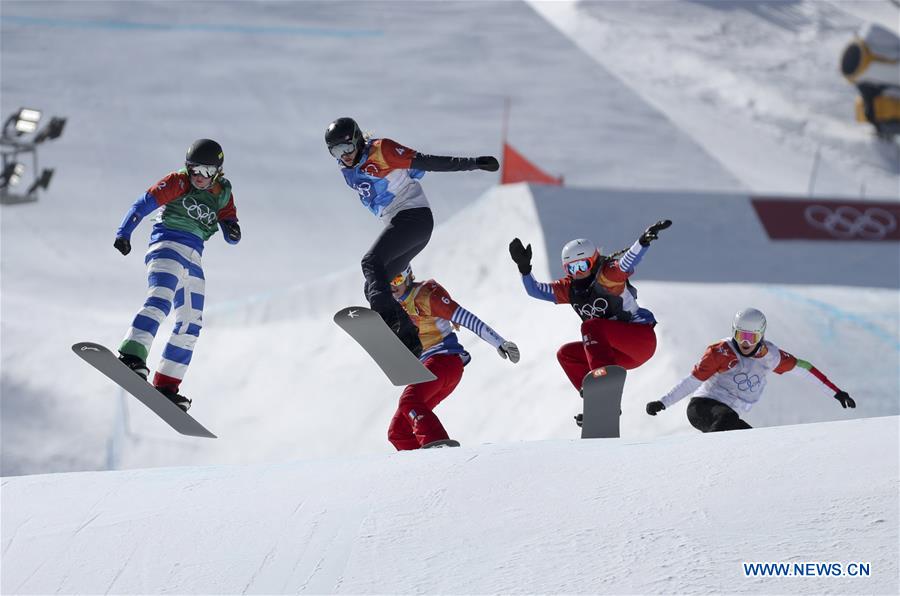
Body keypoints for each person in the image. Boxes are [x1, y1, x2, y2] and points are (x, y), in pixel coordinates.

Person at [325, 117, 499, 357]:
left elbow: (426, 162)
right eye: (335, 151)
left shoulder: (381, 150)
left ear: (357, 139)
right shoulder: (346, 169)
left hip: (413, 217)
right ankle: (410, 341)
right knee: (374, 285)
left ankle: (387, 318)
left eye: (346, 147)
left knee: (370, 263)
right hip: (407, 225)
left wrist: (474, 163)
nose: (343, 155)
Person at [113, 139, 241, 411]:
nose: (199, 177)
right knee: (160, 299)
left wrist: (231, 229)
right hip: (168, 245)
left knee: (191, 321)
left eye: (206, 172)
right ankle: (132, 354)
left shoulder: (222, 192)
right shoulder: (178, 182)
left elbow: (229, 219)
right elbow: (144, 203)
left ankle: (167, 383)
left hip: (194, 257)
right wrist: (124, 233)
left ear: (217, 171)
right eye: (195, 170)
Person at [508, 221, 671, 417]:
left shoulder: (607, 275)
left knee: (590, 326)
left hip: (640, 341)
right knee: (566, 354)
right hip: (617, 355)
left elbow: (626, 263)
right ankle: (596, 402)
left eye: (582, 265)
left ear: (593, 261)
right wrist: (524, 268)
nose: (578, 272)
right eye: (572, 268)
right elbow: (535, 290)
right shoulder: (569, 288)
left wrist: (642, 242)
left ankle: (604, 392)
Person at [645, 308, 855, 432]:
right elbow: (692, 381)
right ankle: (706, 461)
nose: (745, 343)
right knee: (726, 420)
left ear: (761, 336)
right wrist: (663, 402)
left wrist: (836, 392)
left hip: (728, 414)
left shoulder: (771, 356)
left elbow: (804, 368)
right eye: (740, 335)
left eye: (751, 337)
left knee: (752, 440)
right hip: (703, 407)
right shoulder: (721, 352)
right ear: (733, 332)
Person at [387, 265, 518, 450]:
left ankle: (439, 449)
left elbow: (465, 317)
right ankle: (422, 469)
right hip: (430, 368)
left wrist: (499, 342)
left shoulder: (426, 295)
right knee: (398, 431)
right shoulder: (393, 306)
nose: (392, 286)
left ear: (408, 277)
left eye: (397, 279)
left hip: (445, 361)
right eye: (387, 282)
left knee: (409, 401)